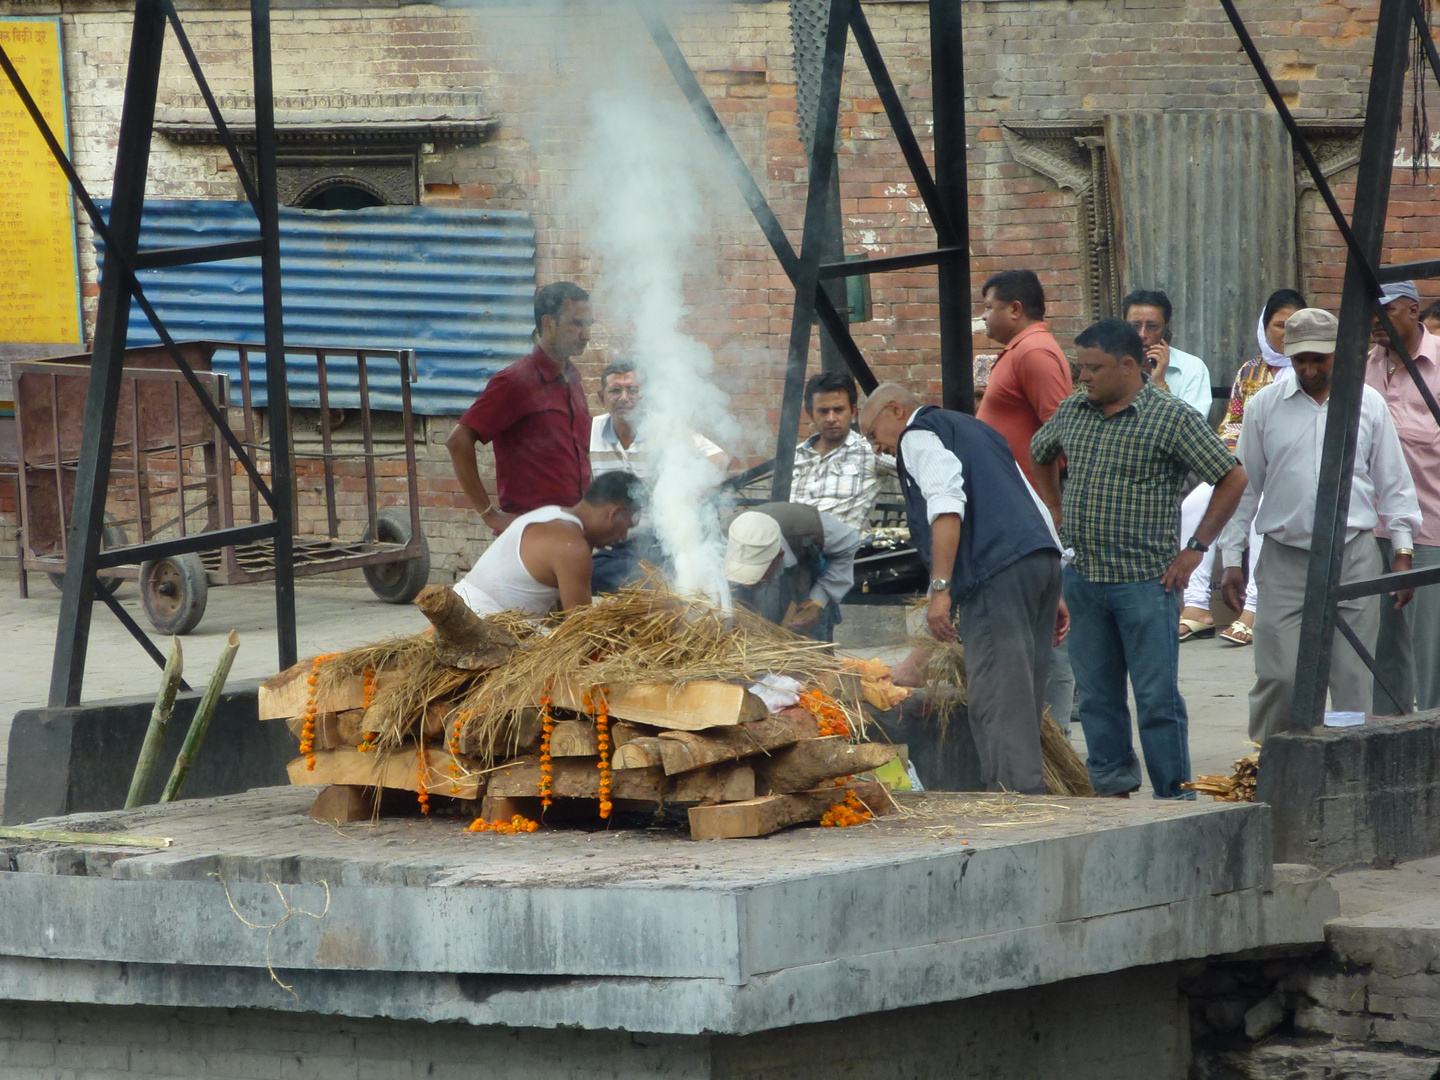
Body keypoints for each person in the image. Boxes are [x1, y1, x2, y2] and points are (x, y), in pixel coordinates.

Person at [1031, 318, 1246, 798]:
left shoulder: (1171, 417)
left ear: (1128, 366)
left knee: (1156, 699)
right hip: (1084, 579)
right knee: (1099, 698)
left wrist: (1196, 549)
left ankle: (1174, 793)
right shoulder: (1073, 412)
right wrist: (1056, 507)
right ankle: (1112, 788)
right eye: (1079, 367)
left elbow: (1231, 477)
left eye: (1092, 368)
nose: (1082, 377)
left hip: (1147, 584)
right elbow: (1039, 452)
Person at [1219, 308, 1420, 741]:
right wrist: (1231, 557)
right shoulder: (1264, 406)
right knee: (1280, 676)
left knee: (1351, 678)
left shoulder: (1368, 404)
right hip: (1285, 559)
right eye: (1299, 359)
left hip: (1353, 555)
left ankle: (1347, 767)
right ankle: (1271, 762)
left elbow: (1394, 483)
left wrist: (1403, 554)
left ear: (1339, 354)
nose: (1309, 368)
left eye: (1319, 358)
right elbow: (1244, 487)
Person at [860, 384, 1068, 796]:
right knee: (1024, 696)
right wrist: (1051, 578)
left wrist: (941, 589)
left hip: (996, 572)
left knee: (997, 700)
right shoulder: (975, 429)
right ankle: (1027, 797)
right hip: (1038, 562)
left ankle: (1016, 806)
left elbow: (946, 504)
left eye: (872, 434)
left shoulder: (917, 436)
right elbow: (1031, 501)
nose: (877, 448)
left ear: (896, 410)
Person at [974, 268, 1077, 733]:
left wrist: (1053, 508)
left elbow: (1065, 435)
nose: (983, 316)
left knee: (1048, 633)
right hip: (1018, 511)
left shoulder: (1034, 352)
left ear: (1015, 309)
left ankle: (1051, 734)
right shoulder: (1019, 352)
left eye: (989, 306)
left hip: (1034, 513)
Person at [1177, 289, 1307, 646]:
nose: (1286, 333)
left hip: (1284, 472)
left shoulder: (1308, 371)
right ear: (1264, 329)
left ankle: (1254, 606)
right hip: (1241, 465)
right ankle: (1197, 605)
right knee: (1193, 505)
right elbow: (1232, 424)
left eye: (1295, 325)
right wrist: (1234, 457)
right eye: (1279, 325)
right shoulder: (1250, 370)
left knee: (1263, 513)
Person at [446, 282, 594, 535]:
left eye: (589, 324)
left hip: (573, 531)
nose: (586, 334)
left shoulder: (573, 378)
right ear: (548, 324)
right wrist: (489, 515)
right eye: (577, 323)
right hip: (532, 535)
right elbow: (458, 441)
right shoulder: (514, 381)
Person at [588, 359, 729, 592]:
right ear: (601, 398)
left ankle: (652, 581)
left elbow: (719, 460)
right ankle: (651, 582)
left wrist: (679, 498)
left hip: (660, 539)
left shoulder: (665, 428)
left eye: (632, 390)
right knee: (593, 572)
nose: (624, 397)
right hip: (614, 545)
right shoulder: (588, 432)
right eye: (615, 390)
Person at [1366, 281, 1440, 713]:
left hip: (1430, 525)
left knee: (1431, 647)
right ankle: (1386, 737)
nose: (1376, 320)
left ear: (1413, 310)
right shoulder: (1366, 367)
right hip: (1375, 524)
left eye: (1387, 310)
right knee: (1381, 644)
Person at [452, 471, 644, 620]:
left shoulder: (549, 514)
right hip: (478, 627)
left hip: (458, 609)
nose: (623, 536)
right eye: (627, 526)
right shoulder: (573, 547)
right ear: (614, 513)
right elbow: (582, 630)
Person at [723, 503, 862, 642]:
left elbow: (851, 543)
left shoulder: (809, 526)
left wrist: (817, 600)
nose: (747, 583)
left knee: (810, 647)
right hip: (742, 603)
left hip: (804, 582)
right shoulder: (717, 538)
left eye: (755, 575)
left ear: (779, 557)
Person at [791, 370, 890, 532]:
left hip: (842, 551)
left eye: (838, 410)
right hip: (789, 544)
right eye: (823, 411)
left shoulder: (870, 451)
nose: (831, 418)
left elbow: (914, 463)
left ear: (853, 412)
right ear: (810, 413)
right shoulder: (795, 456)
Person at [1123, 289, 1213, 417]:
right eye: (1135, 326)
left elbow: (1193, 428)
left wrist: (1160, 384)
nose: (1142, 334)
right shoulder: (1111, 365)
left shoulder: (1192, 368)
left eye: (1152, 326)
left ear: (1166, 330)